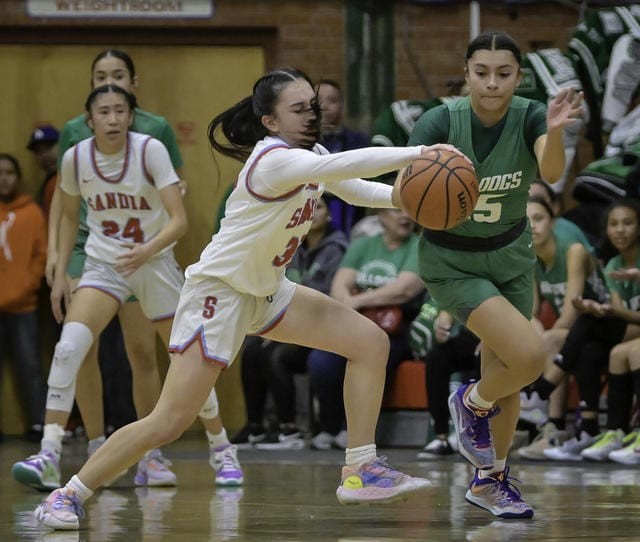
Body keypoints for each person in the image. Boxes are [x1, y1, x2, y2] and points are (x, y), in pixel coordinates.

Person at [32, 67, 444, 530]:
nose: (314, 111)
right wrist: (421, 154)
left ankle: (360, 469)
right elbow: (344, 166)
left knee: (370, 343)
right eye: (299, 107)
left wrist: (411, 200)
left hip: (267, 290)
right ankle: (67, 495)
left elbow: (353, 185)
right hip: (220, 295)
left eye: (314, 103)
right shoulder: (273, 161)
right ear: (270, 121)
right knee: (169, 420)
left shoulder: (312, 153)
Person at [14, 49, 239, 490]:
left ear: (131, 116)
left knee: (186, 359)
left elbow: (180, 220)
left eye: (120, 111)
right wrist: (60, 268)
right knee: (70, 347)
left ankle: (221, 447)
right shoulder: (75, 157)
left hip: (152, 261)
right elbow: (64, 213)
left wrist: (146, 249)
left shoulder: (151, 148)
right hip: (103, 263)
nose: (113, 118)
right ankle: (49, 452)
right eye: (104, 111)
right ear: (89, 117)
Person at [396, 32, 583, 519]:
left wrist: (558, 131)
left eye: (504, 74)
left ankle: (490, 480)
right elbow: (403, 185)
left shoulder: (532, 114)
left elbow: (552, 171)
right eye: (482, 72)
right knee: (530, 354)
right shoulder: (440, 119)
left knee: (510, 374)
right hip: (454, 262)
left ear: (518, 78)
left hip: (511, 256)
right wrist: (426, 192)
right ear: (467, 73)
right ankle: (472, 402)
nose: (493, 83)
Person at [232, 195, 348, 449]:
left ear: (329, 214)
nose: (313, 213)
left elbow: (325, 300)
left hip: (321, 327)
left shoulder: (337, 249)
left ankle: (289, 428)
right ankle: (256, 427)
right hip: (288, 320)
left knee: (278, 354)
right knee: (251, 350)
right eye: (310, 208)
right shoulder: (292, 247)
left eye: (319, 207)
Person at [307, 206, 425, 450]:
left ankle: (354, 433)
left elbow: (404, 290)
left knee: (374, 359)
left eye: (406, 211)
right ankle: (329, 427)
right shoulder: (363, 245)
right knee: (320, 361)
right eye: (395, 211)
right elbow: (339, 287)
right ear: (380, 215)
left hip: (395, 330)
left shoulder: (419, 246)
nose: (404, 215)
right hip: (355, 324)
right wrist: (347, 302)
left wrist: (357, 300)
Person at [539, 199, 640, 461]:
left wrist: (608, 313)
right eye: (613, 224)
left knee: (589, 323)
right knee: (592, 349)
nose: (620, 230)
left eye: (627, 223)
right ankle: (602, 431)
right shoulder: (612, 264)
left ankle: (541, 388)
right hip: (630, 331)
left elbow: (622, 316)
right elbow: (624, 315)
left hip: (633, 332)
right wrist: (606, 311)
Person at [516, 196, 608, 460]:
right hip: (573, 336)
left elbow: (570, 314)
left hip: (600, 326)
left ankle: (550, 424)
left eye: (539, 219)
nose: (532, 226)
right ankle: (527, 421)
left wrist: (542, 341)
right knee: (520, 335)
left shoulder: (573, 250)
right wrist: (531, 332)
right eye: (526, 221)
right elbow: (529, 311)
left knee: (554, 338)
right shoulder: (531, 255)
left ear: (553, 221)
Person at [0, 153, 47, 440]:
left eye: (9, 172)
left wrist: (27, 285)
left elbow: (41, 255)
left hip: (24, 305)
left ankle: (38, 424)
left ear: (18, 177)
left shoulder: (32, 213)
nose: (3, 178)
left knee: (30, 364)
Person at [412, 299, 480, 459]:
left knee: (486, 358)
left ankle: (482, 437)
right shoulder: (468, 277)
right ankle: (441, 436)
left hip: (501, 334)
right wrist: (445, 318)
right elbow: (461, 299)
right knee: (437, 356)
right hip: (473, 334)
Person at [315, 79, 370, 236]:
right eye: (318, 101)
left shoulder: (359, 141)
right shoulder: (299, 144)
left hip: (350, 216)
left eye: (332, 100)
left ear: (342, 105)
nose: (324, 106)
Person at [26, 124, 60, 222]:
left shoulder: (74, 178)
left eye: (49, 147)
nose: (45, 156)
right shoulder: (51, 181)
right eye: (39, 151)